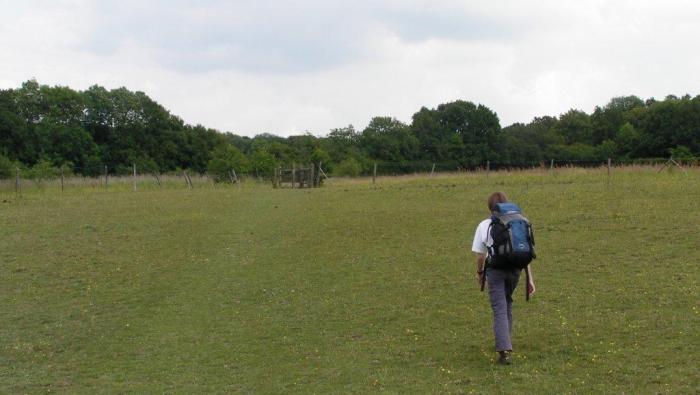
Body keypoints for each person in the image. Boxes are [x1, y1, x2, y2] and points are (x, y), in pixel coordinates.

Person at [471, 191, 535, 365]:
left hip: (496, 271)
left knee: (499, 307)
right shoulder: (518, 221)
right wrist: (530, 279)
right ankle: (505, 340)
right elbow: (525, 249)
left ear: (490, 207)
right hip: (516, 269)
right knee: (507, 302)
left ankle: (504, 350)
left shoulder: (485, 225)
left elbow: (480, 256)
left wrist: (480, 273)